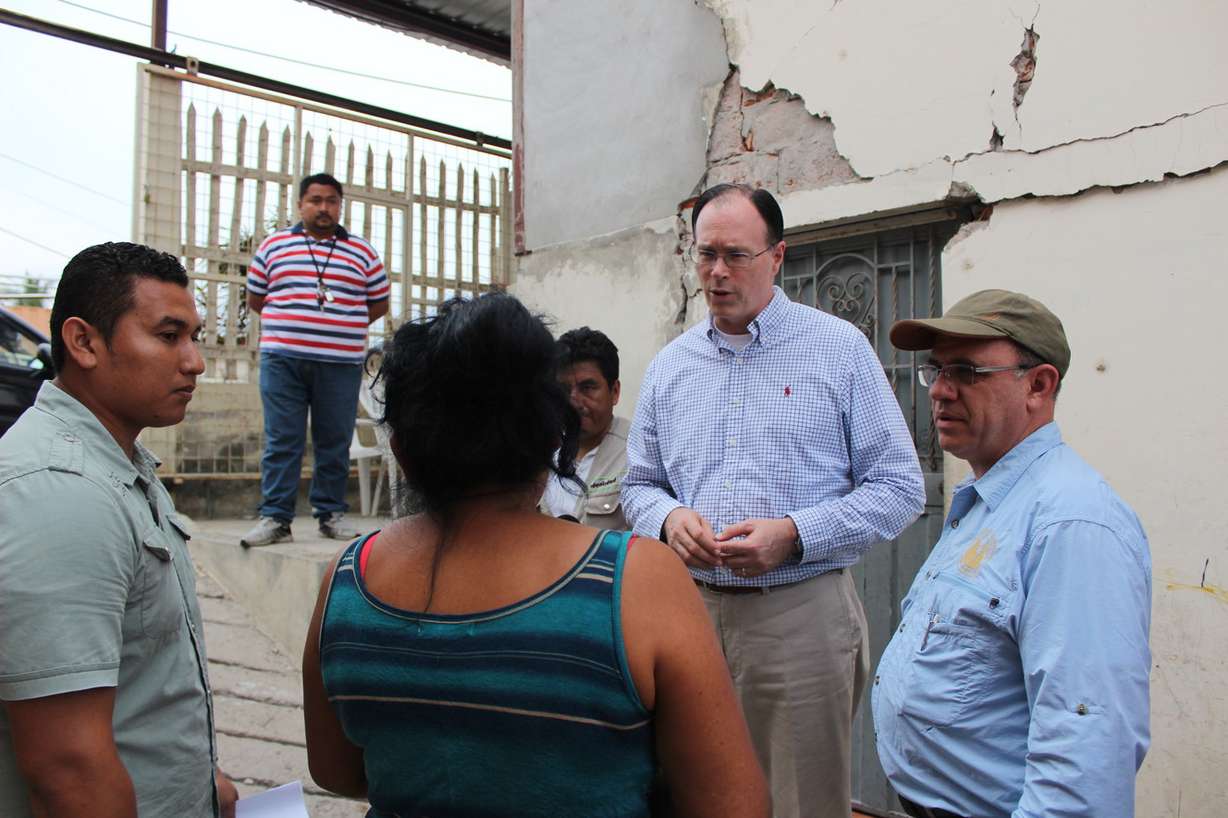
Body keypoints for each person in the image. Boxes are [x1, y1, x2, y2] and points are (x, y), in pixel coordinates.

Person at [302, 292, 768, 818]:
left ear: (403, 454)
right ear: (552, 436)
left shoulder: (346, 580)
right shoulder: (637, 581)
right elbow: (735, 805)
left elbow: (335, 770)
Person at [622, 183, 926, 818]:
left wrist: (794, 533)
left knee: (801, 801)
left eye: (736, 254)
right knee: (693, 794)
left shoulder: (838, 350)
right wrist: (670, 518)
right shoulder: (672, 367)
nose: (716, 272)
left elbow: (900, 487)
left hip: (800, 618)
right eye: (705, 254)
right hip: (690, 617)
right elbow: (639, 484)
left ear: (777, 256)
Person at [873, 289, 1151, 818]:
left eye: (967, 372)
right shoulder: (990, 501)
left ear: (1039, 385)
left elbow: (1085, 745)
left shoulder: (1071, 523)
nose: (941, 391)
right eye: (936, 371)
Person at [0, 242, 238, 817]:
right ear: (83, 342)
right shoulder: (62, 490)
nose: (194, 362)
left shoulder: (120, 463)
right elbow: (69, 769)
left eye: (194, 337)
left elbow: (141, 682)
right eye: (167, 335)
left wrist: (204, 782)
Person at [241, 173, 390, 547]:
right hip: (283, 360)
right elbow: (255, 298)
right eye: (315, 200)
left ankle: (330, 515)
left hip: (339, 363)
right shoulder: (274, 246)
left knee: (334, 440)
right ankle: (275, 518)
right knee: (282, 439)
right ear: (300, 205)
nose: (323, 208)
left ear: (340, 206)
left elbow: (379, 302)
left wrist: (338, 327)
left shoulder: (362, 253)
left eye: (331, 201)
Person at [539, 326, 630, 529]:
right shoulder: (540, 450)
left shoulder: (638, 453)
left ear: (614, 392)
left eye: (587, 388)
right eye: (563, 389)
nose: (574, 401)